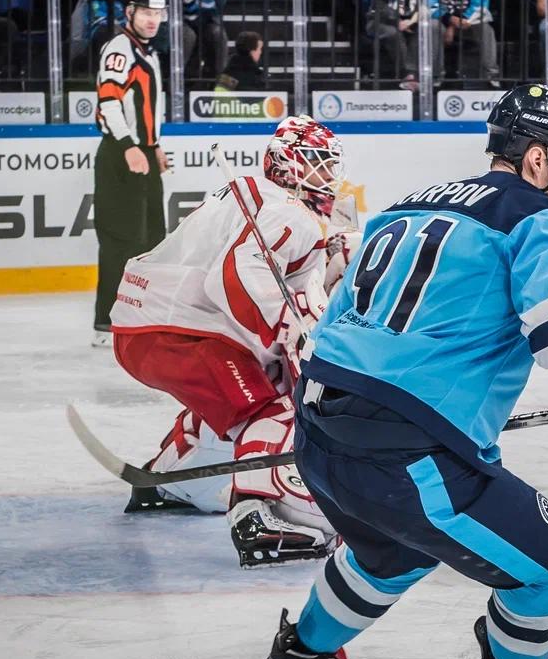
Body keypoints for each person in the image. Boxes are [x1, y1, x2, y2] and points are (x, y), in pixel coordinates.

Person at [247, 85, 548, 659]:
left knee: (392, 553)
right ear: (537, 161)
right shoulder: (541, 216)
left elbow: (345, 314)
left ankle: (297, 657)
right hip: (404, 452)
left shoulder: (405, 208)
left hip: (318, 429)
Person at [110, 115, 361, 568]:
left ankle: (170, 480)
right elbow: (233, 277)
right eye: (319, 165)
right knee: (268, 406)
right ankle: (255, 517)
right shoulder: (289, 211)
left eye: (330, 166)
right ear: (287, 166)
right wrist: (288, 335)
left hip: (146, 322)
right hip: (176, 329)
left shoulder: (258, 198)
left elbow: (275, 281)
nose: (328, 177)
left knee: (240, 394)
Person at [91, 0, 169, 347]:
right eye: (146, 12)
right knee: (122, 239)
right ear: (130, 13)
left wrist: (153, 145)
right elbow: (108, 100)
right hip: (121, 154)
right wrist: (129, 145)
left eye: (158, 13)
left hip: (141, 152)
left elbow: (146, 107)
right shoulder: (119, 49)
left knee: (153, 238)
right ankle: (107, 321)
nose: (153, 19)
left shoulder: (148, 51)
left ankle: (141, 314)